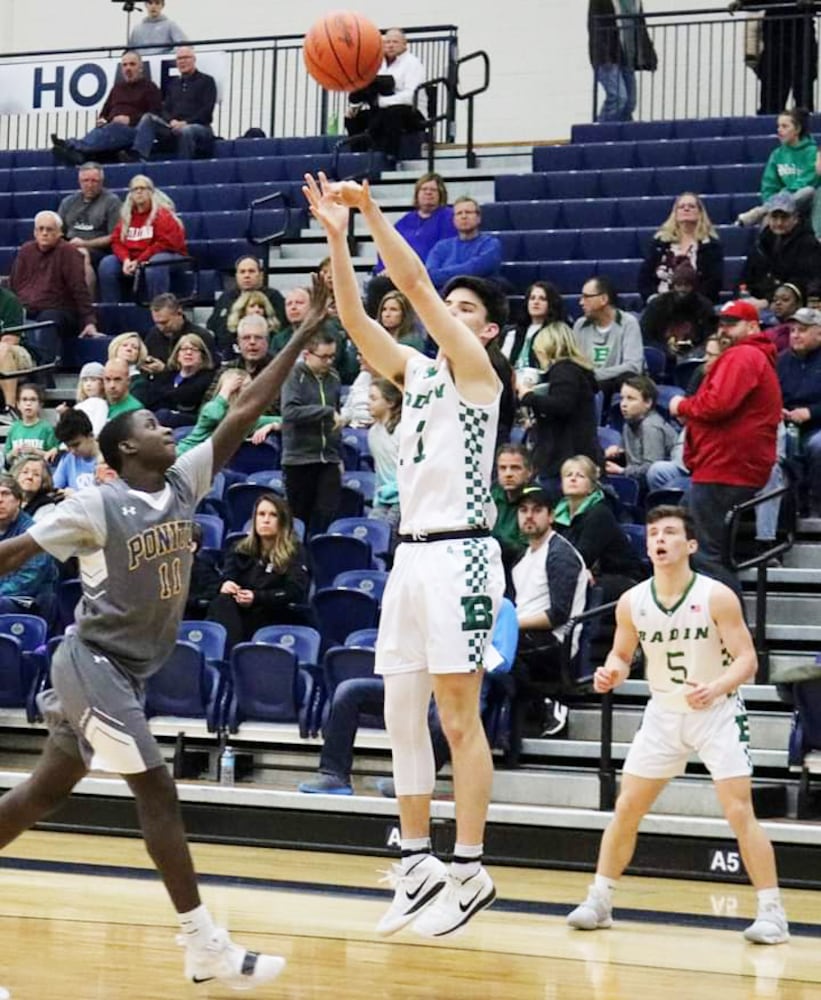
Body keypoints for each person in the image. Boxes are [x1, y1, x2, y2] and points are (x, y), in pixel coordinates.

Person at [0, 279, 327, 988]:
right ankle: (203, 942)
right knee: (157, 789)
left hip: (128, 670)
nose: (163, 428)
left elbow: (244, 407)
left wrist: (300, 335)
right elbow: (15, 552)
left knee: (39, 797)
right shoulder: (95, 504)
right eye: (148, 426)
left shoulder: (181, 484)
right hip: (92, 664)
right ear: (122, 453)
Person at [304, 170, 507, 938]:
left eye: (465, 310)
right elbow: (355, 318)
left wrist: (370, 210)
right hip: (410, 555)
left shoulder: (478, 377)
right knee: (397, 712)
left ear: (483, 329)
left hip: (461, 555)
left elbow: (415, 283)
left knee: (458, 718)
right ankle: (419, 861)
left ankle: (470, 866)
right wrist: (333, 236)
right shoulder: (417, 373)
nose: (446, 315)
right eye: (449, 310)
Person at [566, 505, 790, 946]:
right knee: (627, 807)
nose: (659, 540)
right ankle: (600, 900)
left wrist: (715, 686)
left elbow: (748, 660)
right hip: (664, 713)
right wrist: (611, 671)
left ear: (689, 545)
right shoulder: (632, 601)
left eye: (669, 532)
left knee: (739, 812)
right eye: (652, 534)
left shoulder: (716, 595)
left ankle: (772, 912)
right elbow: (621, 654)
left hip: (717, 713)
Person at [669, 300, 782, 565]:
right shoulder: (749, 356)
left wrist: (681, 405)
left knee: (705, 557)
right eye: (722, 323)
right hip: (723, 466)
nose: (724, 330)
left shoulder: (743, 355)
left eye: (733, 324)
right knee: (690, 540)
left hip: (725, 467)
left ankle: (725, 607)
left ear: (753, 326)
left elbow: (716, 405)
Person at [510, 484, 588, 740]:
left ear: (551, 516)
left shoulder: (560, 554)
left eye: (537, 510)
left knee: (495, 649)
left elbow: (558, 615)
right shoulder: (523, 558)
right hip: (528, 635)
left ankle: (548, 704)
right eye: (523, 510)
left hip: (556, 643)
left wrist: (511, 625)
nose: (529, 516)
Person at [207, 494, 310, 651]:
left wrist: (256, 597)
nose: (266, 520)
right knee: (221, 601)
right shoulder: (239, 548)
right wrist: (227, 584)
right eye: (261, 514)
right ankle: (231, 654)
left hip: (273, 612)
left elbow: (295, 590)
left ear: (283, 521)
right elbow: (227, 577)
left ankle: (235, 653)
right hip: (240, 613)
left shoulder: (295, 552)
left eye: (273, 515)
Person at [553, 455, 647, 604]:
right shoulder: (558, 513)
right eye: (568, 475)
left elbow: (582, 556)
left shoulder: (600, 513)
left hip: (623, 579)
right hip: (588, 573)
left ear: (591, 485)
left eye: (580, 476)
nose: (573, 479)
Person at [519, 324, 603, 481]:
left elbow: (562, 405)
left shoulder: (564, 370)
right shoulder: (577, 370)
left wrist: (528, 397)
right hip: (577, 452)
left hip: (565, 457)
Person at [365, 172, 457, 316]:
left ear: (441, 194)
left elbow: (446, 251)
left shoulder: (449, 217)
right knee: (377, 284)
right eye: (424, 189)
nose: (428, 193)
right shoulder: (405, 221)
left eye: (433, 190)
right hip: (399, 274)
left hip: (426, 275)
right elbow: (387, 245)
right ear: (417, 194)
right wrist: (386, 268)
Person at [280, 330, 343, 537]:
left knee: (326, 515)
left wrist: (338, 454)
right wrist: (325, 412)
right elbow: (289, 412)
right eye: (324, 357)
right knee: (299, 519)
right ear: (307, 354)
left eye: (332, 356)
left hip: (328, 458)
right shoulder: (293, 376)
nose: (329, 361)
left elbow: (336, 415)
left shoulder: (334, 377)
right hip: (300, 459)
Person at [9, 211, 99, 352]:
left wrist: (89, 321)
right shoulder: (26, 251)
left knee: (48, 319)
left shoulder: (69, 252)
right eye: (41, 229)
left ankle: (43, 371)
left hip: (60, 311)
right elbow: (14, 286)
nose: (44, 233)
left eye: (49, 229)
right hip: (27, 308)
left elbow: (79, 289)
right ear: (34, 232)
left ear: (59, 233)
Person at [51, 52, 162, 165]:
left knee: (111, 130)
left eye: (132, 64)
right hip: (111, 129)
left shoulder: (150, 88)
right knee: (102, 130)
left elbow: (154, 115)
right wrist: (102, 120)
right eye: (124, 65)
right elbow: (104, 113)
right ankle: (79, 155)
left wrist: (130, 119)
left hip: (132, 131)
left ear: (140, 68)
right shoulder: (117, 88)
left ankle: (71, 145)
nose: (128, 68)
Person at [98, 176, 188, 304]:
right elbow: (117, 241)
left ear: (151, 192)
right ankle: (112, 310)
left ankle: (158, 308)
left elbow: (164, 244)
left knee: (155, 263)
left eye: (142, 188)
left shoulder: (163, 215)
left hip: (169, 256)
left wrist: (140, 261)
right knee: (107, 264)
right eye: (135, 189)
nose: (139, 192)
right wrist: (126, 260)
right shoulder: (127, 216)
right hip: (135, 259)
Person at [345, 27, 426, 163]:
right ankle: (359, 156)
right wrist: (355, 106)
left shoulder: (413, 63)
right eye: (387, 42)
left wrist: (382, 102)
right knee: (354, 118)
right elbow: (368, 88)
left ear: (404, 45)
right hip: (382, 110)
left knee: (391, 113)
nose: (390, 45)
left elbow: (411, 96)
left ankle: (389, 156)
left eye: (395, 42)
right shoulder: (377, 64)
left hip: (411, 112)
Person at [130, 47, 217, 162]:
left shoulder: (207, 81)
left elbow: (207, 111)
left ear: (194, 59)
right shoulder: (173, 85)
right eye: (179, 59)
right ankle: (139, 158)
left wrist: (185, 123)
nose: (182, 61)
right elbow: (164, 109)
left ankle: (183, 167)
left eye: (186, 57)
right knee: (148, 118)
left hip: (199, 127)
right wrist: (171, 121)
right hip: (173, 127)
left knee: (186, 131)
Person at [737, 107, 819, 227]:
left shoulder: (812, 152)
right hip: (781, 204)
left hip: (805, 203)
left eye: (785, 126)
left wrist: (784, 194)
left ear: (797, 129)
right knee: (771, 218)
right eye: (778, 126)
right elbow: (769, 184)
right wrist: (775, 199)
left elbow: (810, 180)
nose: (779, 130)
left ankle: (761, 211)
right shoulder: (777, 154)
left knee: (808, 191)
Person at [730, 0, 817, 114]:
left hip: (800, 35)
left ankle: (803, 119)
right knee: (773, 86)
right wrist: (742, 3)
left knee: (802, 85)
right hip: (776, 36)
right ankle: (770, 120)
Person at [739, 190, 821, 308]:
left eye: (784, 217)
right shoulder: (761, 243)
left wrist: (769, 302)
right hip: (760, 302)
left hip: (793, 307)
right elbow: (747, 277)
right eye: (774, 217)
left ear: (795, 218)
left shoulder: (808, 244)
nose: (779, 223)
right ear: (768, 218)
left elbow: (805, 283)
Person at [637, 193, 724, 304]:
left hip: (697, 305)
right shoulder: (660, 243)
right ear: (675, 213)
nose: (686, 209)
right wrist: (654, 299)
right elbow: (644, 279)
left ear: (700, 213)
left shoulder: (711, 245)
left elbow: (714, 282)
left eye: (691, 206)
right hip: (661, 303)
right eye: (681, 207)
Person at [777, 307, 821, 515]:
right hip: (784, 425)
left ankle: (815, 507)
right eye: (792, 330)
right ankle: (784, 511)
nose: (795, 335)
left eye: (802, 330)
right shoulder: (780, 360)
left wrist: (811, 413)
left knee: (818, 445)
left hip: (816, 426)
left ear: (819, 333)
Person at [176, 368, 279, 455]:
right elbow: (215, 416)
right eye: (247, 386)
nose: (252, 390)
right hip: (185, 456)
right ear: (234, 390)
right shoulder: (211, 407)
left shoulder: (248, 419)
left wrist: (272, 425)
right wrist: (226, 389)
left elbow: (289, 420)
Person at [57, 163, 123, 297]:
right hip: (68, 246)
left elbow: (114, 236)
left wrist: (85, 244)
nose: (89, 184)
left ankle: (87, 306)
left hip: (98, 251)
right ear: (79, 181)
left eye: (94, 181)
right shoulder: (68, 202)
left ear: (102, 182)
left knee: (80, 254)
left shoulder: (112, 202)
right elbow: (58, 231)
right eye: (85, 180)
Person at [573, 276, 643, 397]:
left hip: (617, 386)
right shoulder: (580, 325)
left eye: (586, 297)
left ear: (604, 299)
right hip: (587, 385)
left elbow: (633, 367)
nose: (581, 302)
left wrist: (594, 375)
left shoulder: (628, 323)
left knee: (626, 378)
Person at [587, 0, 657, 123]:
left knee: (630, 102)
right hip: (606, 57)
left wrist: (648, 54)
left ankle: (621, 134)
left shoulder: (635, 2)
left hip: (626, 56)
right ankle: (598, 134)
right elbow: (594, 25)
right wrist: (603, 55)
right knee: (619, 98)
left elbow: (641, 26)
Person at [0, 473, 58, 615]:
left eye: (5, 494)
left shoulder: (33, 533)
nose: (0, 500)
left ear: (18, 501)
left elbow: (27, 580)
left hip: (29, 604)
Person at [604, 374, 678, 485]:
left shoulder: (651, 426)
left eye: (630, 399)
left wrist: (621, 471)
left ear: (648, 402)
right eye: (622, 398)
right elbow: (632, 459)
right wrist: (618, 452)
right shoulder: (629, 423)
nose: (623, 404)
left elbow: (651, 469)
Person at [207, 256, 286, 357]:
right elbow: (213, 326)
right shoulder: (225, 298)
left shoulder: (273, 297)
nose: (247, 275)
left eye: (251, 271)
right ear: (236, 275)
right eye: (242, 272)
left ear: (261, 275)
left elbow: (280, 328)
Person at [639, 261, 718, 360]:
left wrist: (694, 350)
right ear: (673, 285)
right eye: (679, 285)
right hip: (663, 352)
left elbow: (711, 335)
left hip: (695, 354)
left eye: (687, 285)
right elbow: (645, 335)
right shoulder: (657, 304)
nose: (682, 289)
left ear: (694, 287)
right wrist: (665, 350)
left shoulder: (705, 306)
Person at [425, 198, 502, 291]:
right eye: (459, 213)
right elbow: (430, 275)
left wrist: (444, 273)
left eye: (468, 212)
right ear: (454, 220)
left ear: (478, 218)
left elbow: (476, 270)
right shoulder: (441, 247)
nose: (464, 216)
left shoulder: (491, 244)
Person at [135, 333, 215, 423]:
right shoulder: (168, 375)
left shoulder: (206, 377)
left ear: (202, 357)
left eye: (194, 350)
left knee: (163, 415)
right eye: (184, 349)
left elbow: (187, 395)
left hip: (189, 422)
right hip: (160, 418)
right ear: (177, 355)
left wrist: (162, 395)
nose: (188, 353)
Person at [500, 281, 571, 374]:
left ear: (551, 303)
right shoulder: (511, 332)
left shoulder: (557, 332)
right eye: (532, 298)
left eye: (542, 299)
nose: (536, 302)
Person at [143, 293, 216, 371]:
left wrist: (165, 370)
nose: (160, 327)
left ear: (179, 313)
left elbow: (208, 372)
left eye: (164, 322)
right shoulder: (153, 335)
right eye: (156, 323)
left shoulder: (201, 336)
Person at [490, 443, 532, 576]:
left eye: (515, 468)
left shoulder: (537, 501)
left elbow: (525, 550)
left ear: (529, 472)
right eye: (503, 468)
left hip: (520, 571)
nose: (508, 474)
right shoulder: (492, 494)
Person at [368, 377, 403, 528]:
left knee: (387, 532)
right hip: (384, 497)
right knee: (373, 529)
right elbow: (379, 470)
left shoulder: (403, 430)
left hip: (404, 499)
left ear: (390, 402)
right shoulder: (373, 432)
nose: (368, 403)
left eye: (373, 398)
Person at [4, 384, 59, 467]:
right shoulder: (14, 428)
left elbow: (53, 456)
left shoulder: (46, 428)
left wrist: (35, 451)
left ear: (40, 405)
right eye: (24, 399)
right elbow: (6, 457)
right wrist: (12, 453)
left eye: (33, 400)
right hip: (17, 472)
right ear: (18, 404)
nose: (28, 403)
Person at [53, 409, 100, 494]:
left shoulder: (109, 459)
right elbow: (54, 488)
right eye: (68, 446)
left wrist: (76, 496)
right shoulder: (67, 459)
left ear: (90, 436)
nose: (72, 451)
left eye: (76, 445)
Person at [11, 453, 63, 523]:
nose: (29, 477)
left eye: (36, 474)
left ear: (43, 480)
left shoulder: (47, 505)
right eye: (25, 472)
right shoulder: (5, 498)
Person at [763, 281, 803, 354]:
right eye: (775, 300)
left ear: (798, 304)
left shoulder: (801, 331)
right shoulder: (768, 329)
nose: (778, 303)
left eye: (785, 299)